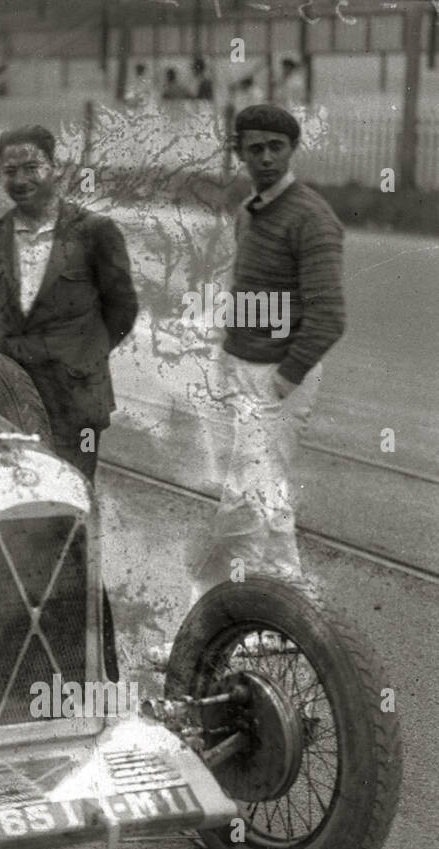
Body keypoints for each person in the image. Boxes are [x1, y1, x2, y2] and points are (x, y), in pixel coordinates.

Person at [192, 104, 344, 603]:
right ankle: (280, 615)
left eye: (276, 147)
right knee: (266, 500)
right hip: (243, 371)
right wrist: (229, 359)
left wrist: (283, 381)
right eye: (254, 148)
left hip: (280, 378)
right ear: (239, 153)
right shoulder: (249, 213)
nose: (266, 158)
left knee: (245, 503)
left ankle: (210, 621)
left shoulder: (312, 218)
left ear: (291, 149)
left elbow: (328, 316)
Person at [0, 125, 138, 482]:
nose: (20, 179)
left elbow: (123, 309)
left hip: (76, 399)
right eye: (10, 171)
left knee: (73, 496)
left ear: (55, 168)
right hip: (13, 397)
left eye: (31, 168)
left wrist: (81, 354)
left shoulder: (96, 231)